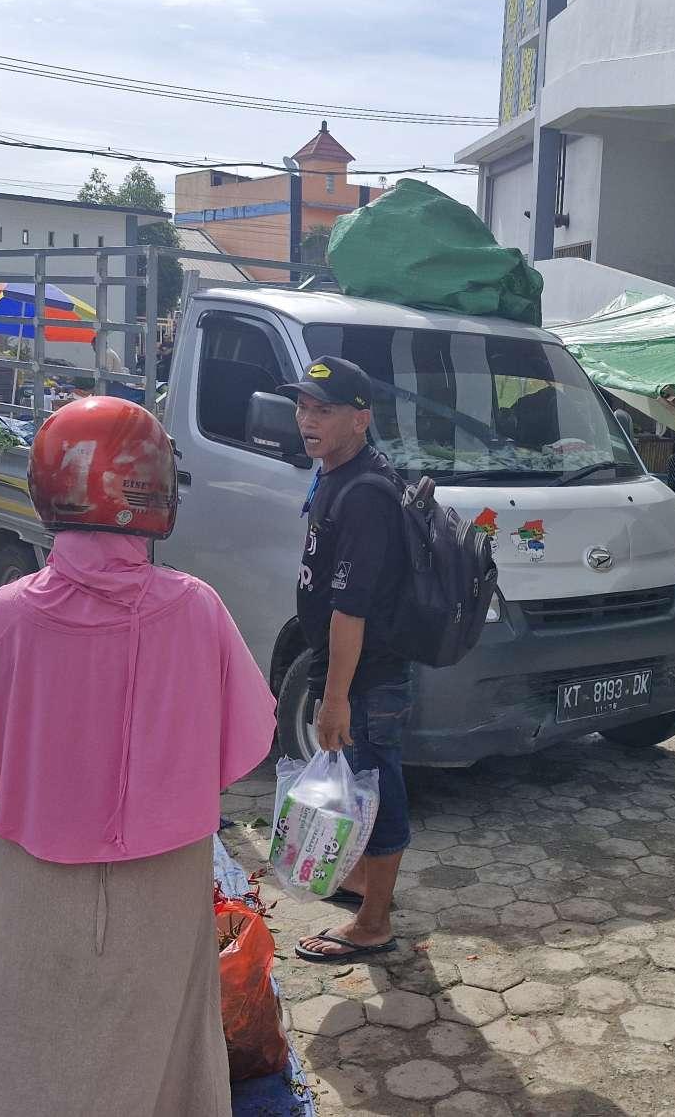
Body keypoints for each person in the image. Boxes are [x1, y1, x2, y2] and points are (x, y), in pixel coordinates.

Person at [0, 396, 272, 1116]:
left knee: (28, 1032)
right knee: (163, 1038)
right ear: (156, 490)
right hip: (163, 871)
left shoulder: (8, 612)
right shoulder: (197, 607)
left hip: (36, 874)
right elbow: (243, 744)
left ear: (47, 487)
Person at [280, 355, 415, 964]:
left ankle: (374, 923)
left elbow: (350, 609)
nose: (307, 419)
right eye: (303, 406)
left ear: (361, 420)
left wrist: (335, 696)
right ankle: (363, 882)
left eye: (324, 410)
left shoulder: (365, 493)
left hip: (371, 674)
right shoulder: (335, 472)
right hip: (350, 667)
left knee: (376, 784)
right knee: (363, 780)